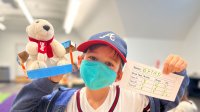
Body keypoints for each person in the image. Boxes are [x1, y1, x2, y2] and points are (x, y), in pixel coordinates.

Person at [11, 31, 189, 112]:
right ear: (80, 61)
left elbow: (169, 103)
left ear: (119, 74)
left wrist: (178, 72)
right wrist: (48, 81)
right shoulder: (61, 102)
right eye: (93, 59)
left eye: (109, 64)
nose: (98, 68)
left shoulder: (135, 101)